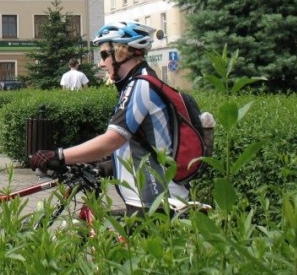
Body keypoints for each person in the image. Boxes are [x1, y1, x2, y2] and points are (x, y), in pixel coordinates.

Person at [30, 21, 187, 216]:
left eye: (105, 54)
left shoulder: (141, 85)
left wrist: (59, 156)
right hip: (146, 197)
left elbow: (113, 139)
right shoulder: (137, 83)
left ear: (123, 52)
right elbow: (139, 143)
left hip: (155, 200)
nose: (101, 63)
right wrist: (106, 166)